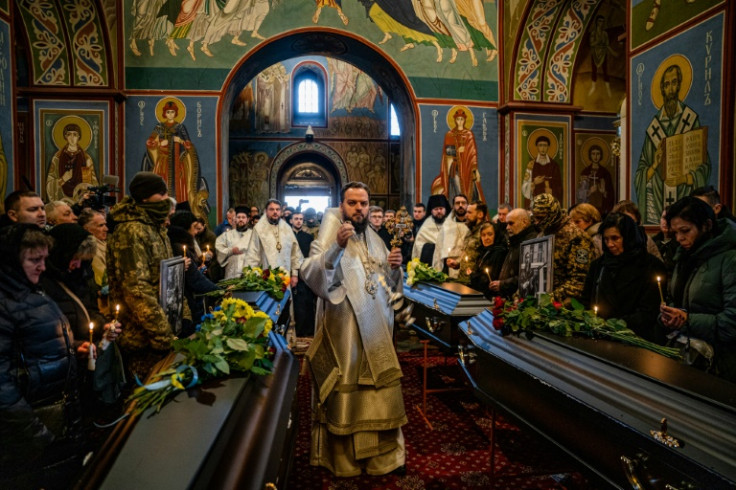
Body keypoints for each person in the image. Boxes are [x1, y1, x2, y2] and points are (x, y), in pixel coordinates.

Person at [301, 182, 406, 476]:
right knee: (346, 391)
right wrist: (337, 247)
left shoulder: (376, 239)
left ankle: (383, 457)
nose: (359, 209)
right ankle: (343, 459)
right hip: (344, 333)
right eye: (352, 203)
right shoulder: (329, 234)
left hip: (376, 333)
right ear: (341, 205)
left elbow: (387, 286)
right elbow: (310, 273)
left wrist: (395, 268)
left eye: (364, 203)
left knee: (376, 390)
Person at [0, 224, 94, 484]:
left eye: (44, 259)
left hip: (59, 416)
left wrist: (74, 349)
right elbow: (3, 385)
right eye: (33, 260)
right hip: (33, 430)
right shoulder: (5, 303)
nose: (42, 266)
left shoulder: (34, 291)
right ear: (12, 260)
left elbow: (38, 343)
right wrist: (39, 435)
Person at [107, 172, 177, 377]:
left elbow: (169, 276)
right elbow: (137, 289)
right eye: (161, 194)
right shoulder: (130, 230)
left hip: (163, 328)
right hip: (142, 337)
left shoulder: (155, 227)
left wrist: (180, 317)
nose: (166, 199)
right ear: (145, 197)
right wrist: (162, 334)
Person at [660, 196, 736, 382]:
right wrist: (668, 314)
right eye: (675, 232)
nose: (679, 238)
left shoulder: (730, 259)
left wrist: (687, 320)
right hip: (688, 357)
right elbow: (675, 299)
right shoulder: (684, 256)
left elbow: (732, 323)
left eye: (685, 231)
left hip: (721, 367)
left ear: (707, 225)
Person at [634, 64, 710, 224]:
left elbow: (704, 167)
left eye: (674, 83)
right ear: (662, 88)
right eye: (666, 84)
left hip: (685, 198)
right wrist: (654, 165)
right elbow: (640, 173)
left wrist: (684, 178)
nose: (670, 89)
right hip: (658, 198)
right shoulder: (653, 128)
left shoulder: (690, 120)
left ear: (680, 85)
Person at [580, 213, 667, 343]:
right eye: (606, 239)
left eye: (615, 238)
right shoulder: (599, 265)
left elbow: (649, 311)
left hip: (637, 338)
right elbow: (587, 299)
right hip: (601, 336)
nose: (610, 244)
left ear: (629, 237)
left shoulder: (651, 266)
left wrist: (616, 325)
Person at [531, 193, 595, 305]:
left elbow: (579, 281)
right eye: (534, 217)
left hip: (566, 305)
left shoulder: (576, 237)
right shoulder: (543, 234)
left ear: (552, 214)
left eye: (540, 218)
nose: (536, 222)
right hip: (543, 301)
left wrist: (548, 299)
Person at [168, 211, 219, 336]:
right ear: (185, 228)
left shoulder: (180, 244)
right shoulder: (179, 247)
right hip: (188, 302)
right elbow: (194, 279)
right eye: (194, 228)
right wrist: (219, 290)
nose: (196, 232)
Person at [245, 199, 303, 288]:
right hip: (265, 276)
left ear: (281, 211)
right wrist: (252, 275)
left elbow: (295, 252)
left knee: (284, 299)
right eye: (271, 209)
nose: (275, 212)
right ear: (266, 211)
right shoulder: (259, 229)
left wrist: (295, 274)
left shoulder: (287, 228)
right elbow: (253, 254)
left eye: (277, 209)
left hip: (285, 275)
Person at [431, 109, 484, 202]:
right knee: (456, 189)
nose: (460, 122)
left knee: (472, 193)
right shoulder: (450, 134)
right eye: (458, 119)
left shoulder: (469, 134)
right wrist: (457, 151)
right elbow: (447, 151)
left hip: (467, 168)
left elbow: (473, 153)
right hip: (455, 168)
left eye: (462, 119)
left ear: (465, 120)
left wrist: (475, 169)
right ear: (455, 120)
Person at [46, 123, 99, 203]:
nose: (72, 138)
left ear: (79, 137)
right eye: (69, 134)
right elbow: (50, 186)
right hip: (62, 201)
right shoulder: (57, 158)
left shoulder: (85, 159)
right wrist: (63, 180)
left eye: (75, 134)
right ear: (65, 137)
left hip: (80, 200)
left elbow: (89, 183)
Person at [491, 208, 537, 298]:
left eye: (511, 223)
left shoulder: (530, 243)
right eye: (507, 224)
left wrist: (503, 284)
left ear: (524, 222)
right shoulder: (515, 240)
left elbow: (529, 277)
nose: (507, 228)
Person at [432, 194, 469, 278]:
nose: (460, 205)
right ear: (453, 206)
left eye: (463, 203)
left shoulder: (473, 225)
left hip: (468, 264)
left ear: (467, 205)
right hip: (450, 266)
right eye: (457, 203)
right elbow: (439, 247)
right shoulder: (447, 226)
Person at [291, 211, 316, 337]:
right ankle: (298, 331)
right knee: (295, 304)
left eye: (301, 219)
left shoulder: (308, 237)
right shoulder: (287, 236)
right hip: (291, 273)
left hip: (305, 273)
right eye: (296, 219)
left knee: (307, 302)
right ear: (291, 221)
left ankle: (308, 331)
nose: (299, 221)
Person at [469, 222, 507, 299]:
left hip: (491, 296)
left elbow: (490, 278)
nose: (486, 238)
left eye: (490, 234)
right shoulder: (483, 251)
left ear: (496, 235)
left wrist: (473, 275)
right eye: (483, 235)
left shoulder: (499, 252)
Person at [522, 135, 563, 206]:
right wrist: (534, 183)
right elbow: (525, 186)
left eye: (545, 145)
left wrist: (552, 191)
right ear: (537, 147)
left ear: (548, 147)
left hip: (550, 202)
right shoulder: (531, 165)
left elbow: (559, 186)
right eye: (540, 145)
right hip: (535, 202)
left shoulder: (554, 165)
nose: (543, 148)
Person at [215, 207, 252, 280]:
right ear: (235, 219)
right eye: (238, 217)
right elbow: (218, 248)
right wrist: (231, 251)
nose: (241, 219)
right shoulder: (227, 235)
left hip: (249, 273)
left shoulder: (253, 235)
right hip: (231, 273)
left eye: (243, 217)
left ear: (247, 220)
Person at [457, 201, 489, 284]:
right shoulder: (470, 231)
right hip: (464, 279)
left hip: (475, 282)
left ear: (480, 215)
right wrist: (457, 263)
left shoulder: (486, 232)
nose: (466, 215)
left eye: (469, 212)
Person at [412, 194, 449, 265]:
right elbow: (419, 245)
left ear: (445, 209)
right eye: (436, 209)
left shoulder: (451, 223)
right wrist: (433, 248)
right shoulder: (426, 224)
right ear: (431, 211)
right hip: (430, 264)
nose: (439, 211)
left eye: (441, 208)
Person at [579, 144, 615, 214]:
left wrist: (604, 192)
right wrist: (589, 192)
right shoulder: (585, 172)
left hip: (601, 208)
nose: (595, 157)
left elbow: (611, 194)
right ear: (590, 155)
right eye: (593, 154)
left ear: (600, 155)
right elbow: (579, 194)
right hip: (588, 208)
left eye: (598, 154)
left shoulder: (605, 173)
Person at [79, 208, 109, 288]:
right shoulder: (92, 249)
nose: (106, 229)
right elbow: (103, 281)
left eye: (105, 224)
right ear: (87, 229)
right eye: (101, 225)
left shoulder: (105, 242)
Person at [652, 207, 678, 280]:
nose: (665, 222)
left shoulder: (680, 244)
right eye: (663, 218)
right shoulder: (653, 242)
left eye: (669, 219)